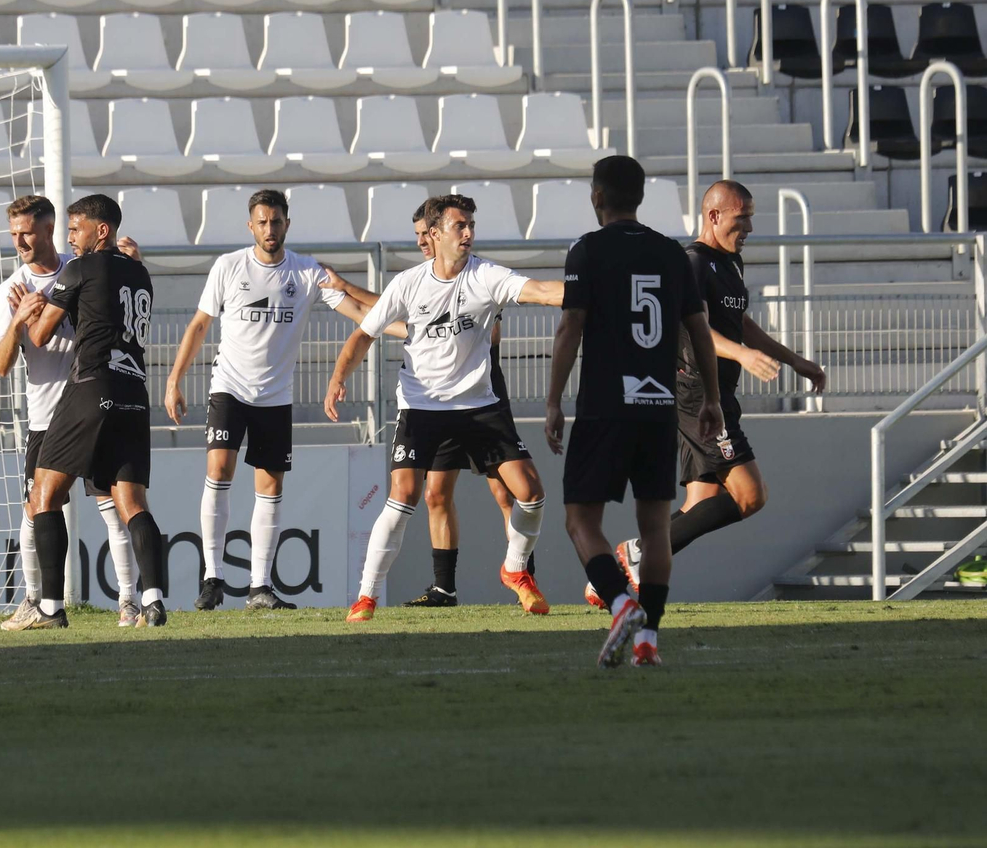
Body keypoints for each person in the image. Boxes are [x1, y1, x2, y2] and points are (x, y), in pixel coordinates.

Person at [324, 194, 563, 622]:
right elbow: (365, 332)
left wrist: (590, 291)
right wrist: (339, 376)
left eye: (471, 224)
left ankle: (516, 571)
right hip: (422, 408)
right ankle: (366, 596)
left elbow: (542, 291)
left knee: (530, 493)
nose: (469, 232)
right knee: (408, 494)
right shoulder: (409, 283)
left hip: (479, 405)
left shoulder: (486, 275)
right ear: (435, 235)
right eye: (460, 226)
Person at [600, 180, 827, 602]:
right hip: (695, 395)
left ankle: (614, 574)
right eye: (743, 218)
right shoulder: (692, 263)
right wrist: (742, 356)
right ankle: (637, 553)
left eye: (752, 218)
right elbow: (694, 325)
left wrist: (794, 358)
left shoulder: (732, 262)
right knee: (750, 495)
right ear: (715, 216)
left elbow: (739, 322)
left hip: (714, 395)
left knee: (701, 501)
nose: (751, 227)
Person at [543, 156, 722, 668]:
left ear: (597, 196)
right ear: (639, 198)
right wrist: (711, 398)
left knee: (580, 519)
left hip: (605, 406)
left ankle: (622, 605)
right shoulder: (671, 253)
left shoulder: (587, 250)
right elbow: (700, 333)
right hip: (659, 407)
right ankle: (649, 642)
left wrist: (554, 401)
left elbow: (570, 327)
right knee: (655, 528)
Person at [162, 189, 348, 611]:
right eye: (262, 222)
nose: (270, 229)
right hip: (229, 387)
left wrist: (401, 324)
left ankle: (260, 587)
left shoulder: (306, 272)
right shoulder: (228, 266)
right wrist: (174, 380)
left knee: (270, 486)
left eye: (276, 221)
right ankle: (213, 577)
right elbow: (198, 326)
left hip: (275, 396)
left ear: (287, 223)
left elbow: (353, 308)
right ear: (251, 226)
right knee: (219, 468)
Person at [0, 195, 145, 629]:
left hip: (93, 407)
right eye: (14, 234)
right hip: (45, 416)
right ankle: (34, 600)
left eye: (27, 232)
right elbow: (1, 364)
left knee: (112, 508)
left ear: (49, 230)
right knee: (34, 509)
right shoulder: (11, 289)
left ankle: (129, 603)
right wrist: (20, 320)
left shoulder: (83, 268)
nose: (19, 241)